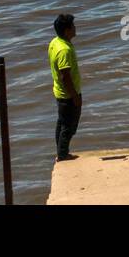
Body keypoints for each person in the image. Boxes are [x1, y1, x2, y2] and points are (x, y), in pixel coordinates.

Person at [48, 14, 82, 162]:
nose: (75, 28)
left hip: (60, 92)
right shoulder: (64, 50)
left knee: (62, 123)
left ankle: (61, 152)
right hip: (68, 95)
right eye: (73, 26)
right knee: (69, 126)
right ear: (67, 31)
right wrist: (74, 96)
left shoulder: (55, 42)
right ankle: (63, 154)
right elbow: (65, 76)